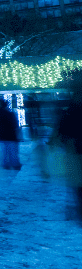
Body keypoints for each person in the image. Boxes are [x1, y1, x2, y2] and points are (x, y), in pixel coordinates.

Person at [56, 83, 82, 223]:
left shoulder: (69, 113)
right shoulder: (70, 113)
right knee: (77, 185)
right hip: (75, 153)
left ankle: (77, 210)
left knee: (77, 185)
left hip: (74, 153)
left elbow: (62, 133)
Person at [0, 101, 21, 170]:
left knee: (4, 152)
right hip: (11, 136)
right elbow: (15, 125)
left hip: (2, 136)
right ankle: (15, 165)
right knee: (13, 152)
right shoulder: (10, 114)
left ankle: (6, 165)